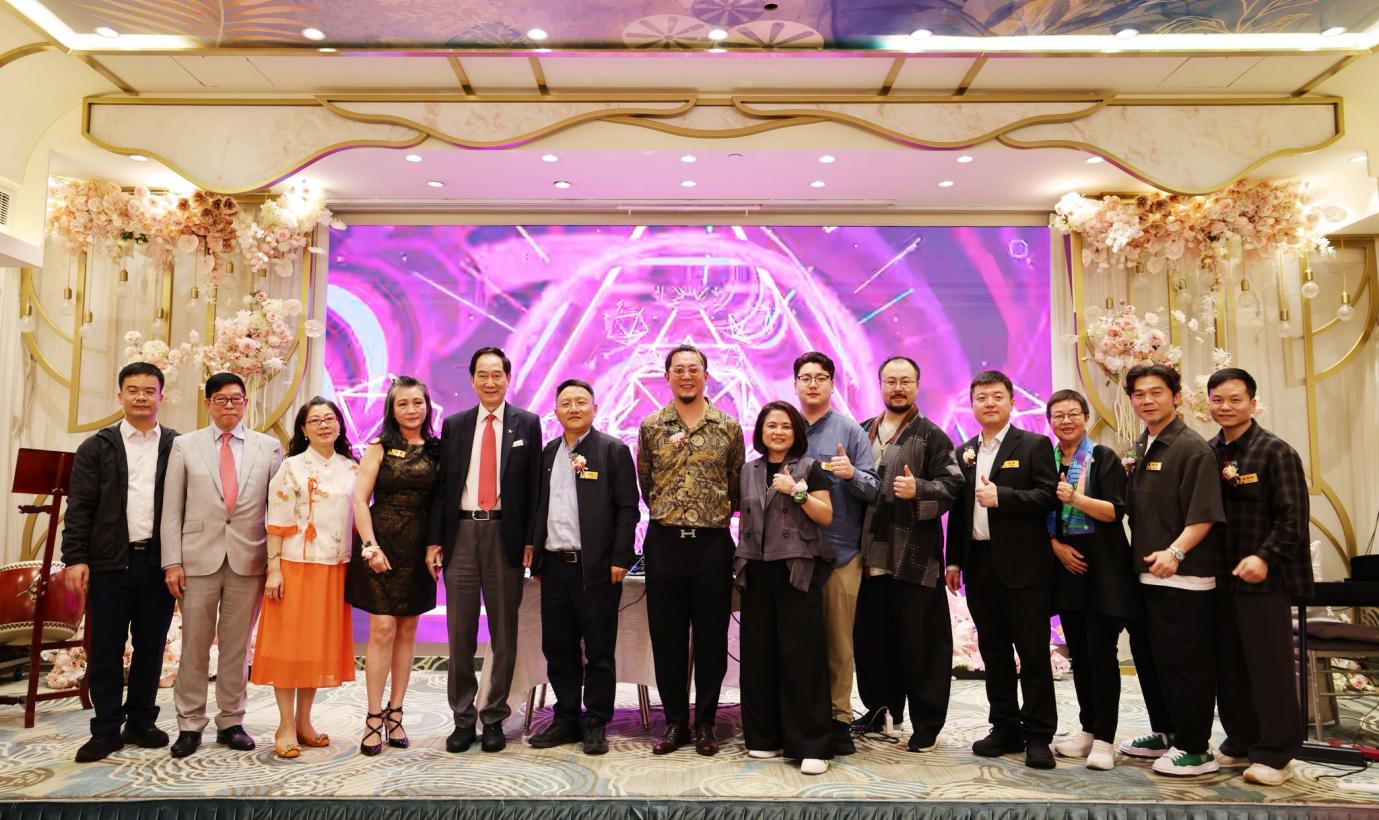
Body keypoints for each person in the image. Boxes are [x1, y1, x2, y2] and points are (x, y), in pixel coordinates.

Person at [160, 372, 283, 758]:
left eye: (236, 398)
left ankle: (231, 720)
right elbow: (171, 509)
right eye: (220, 399)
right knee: (194, 645)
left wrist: (276, 563)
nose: (229, 405)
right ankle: (189, 723)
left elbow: (278, 510)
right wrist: (171, 561)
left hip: (249, 558)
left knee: (237, 646)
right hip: (197, 559)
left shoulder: (269, 448)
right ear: (208, 403)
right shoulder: (185, 445)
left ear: (245, 402)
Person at [61, 362, 179, 763]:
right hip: (109, 562)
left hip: (157, 562)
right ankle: (106, 728)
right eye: (133, 390)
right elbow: (79, 507)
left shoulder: (176, 446)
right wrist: (75, 557)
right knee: (106, 649)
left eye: (149, 390)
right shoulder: (97, 447)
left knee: (151, 646)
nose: (141, 397)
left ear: (161, 396)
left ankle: (141, 721)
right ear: (120, 395)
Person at [427, 347, 543, 754]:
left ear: (508, 379)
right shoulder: (455, 425)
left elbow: (535, 488)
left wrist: (531, 540)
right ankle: (463, 719)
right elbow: (443, 486)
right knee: (459, 633)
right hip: (461, 532)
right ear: (473, 379)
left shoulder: (527, 423)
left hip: (504, 535)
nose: (490, 382)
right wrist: (435, 539)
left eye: (497, 375)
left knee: (504, 633)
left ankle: (493, 717)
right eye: (483, 375)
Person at [945, 370, 1059, 770]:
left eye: (996, 396)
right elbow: (959, 512)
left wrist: (1002, 497)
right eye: (981, 397)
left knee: (1033, 652)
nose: (989, 403)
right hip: (979, 564)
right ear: (972, 405)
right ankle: (1005, 727)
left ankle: (1039, 735)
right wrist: (954, 560)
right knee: (993, 652)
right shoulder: (964, 451)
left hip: (1025, 566)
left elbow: (1049, 496)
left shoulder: (1034, 444)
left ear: (1011, 401)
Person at [637, 344, 746, 756]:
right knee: (667, 638)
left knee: (712, 640)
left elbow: (735, 485)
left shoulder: (728, 427)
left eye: (694, 369)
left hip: (712, 545)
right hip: (664, 543)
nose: (686, 376)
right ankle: (675, 723)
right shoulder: (651, 426)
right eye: (679, 369)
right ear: (667, 377)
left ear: (706, 375)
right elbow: (646, 483)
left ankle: (705, 724)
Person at [1207, 367, 1311, 786]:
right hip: (1219, 579)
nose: (1226, 407)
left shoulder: (1275, 452)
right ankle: (1241, 740)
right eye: (1218, 400)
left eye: (1235, 399)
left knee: (1269, 668)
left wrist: (1265, 557)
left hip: (1263, 580)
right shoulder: (1208, 452)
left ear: (1252, 402)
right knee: (1229, 667)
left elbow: (1293, 518)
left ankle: (1276, 752)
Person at [855, 356, 964, 753]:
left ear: (917, 385)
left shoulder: (932, 436)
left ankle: (927, 723)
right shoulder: (862, 431)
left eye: (905, 381)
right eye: (891, 381)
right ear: (880, 385)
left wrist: (919, 489)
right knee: (872, 641)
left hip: (914, 557)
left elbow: (953, 485)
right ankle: (882, 712)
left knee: (921, 644)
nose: (897, 387)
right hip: (868, 556)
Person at [525, 379, 640, 756]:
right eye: (566, 403)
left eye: (581, 402)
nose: (573, 408)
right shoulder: (548, 452)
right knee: (558, 647)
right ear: (556, 411)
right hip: (554, 567)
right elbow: (539, 507)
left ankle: (596, 720)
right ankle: (566, 717)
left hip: (597, 569)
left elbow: (628, 509)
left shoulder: (612, 450)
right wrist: (536, 554)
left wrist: (621, 558)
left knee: (599, 650)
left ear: (594, 408)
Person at [1121, 363, 1225, 777]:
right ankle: (1166, 732)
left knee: (1185, 664)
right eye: (1139, 394)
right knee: (1152, 660)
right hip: (1146, 574)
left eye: (1156, 392)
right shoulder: (1143, 444)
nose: (1147, 400)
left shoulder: (1192, 449)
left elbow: (1204, 514)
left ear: (1176, 396)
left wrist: (1175, 552)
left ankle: (1196, 747)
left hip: (1183, 577)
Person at [1042, 389, 1148, 771]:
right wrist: (1055, 546)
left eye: (1073, 414)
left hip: (1103, 567)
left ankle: (1105, 738)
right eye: (1058, 415)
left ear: (1085, 418)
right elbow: (1039, 511)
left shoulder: (1102, 457)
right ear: (1049, 422)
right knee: (1080, 655)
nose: (1066, 421)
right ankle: (1087, 729)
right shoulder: (1048, 460)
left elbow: (1114, 511)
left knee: (1102, 655)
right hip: (1067, 567)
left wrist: (1075, 498)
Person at [250, 397, 358, 758]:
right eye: (315, 420)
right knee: (288, 648)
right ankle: (284, 724)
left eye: (330, 418)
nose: (324, 425)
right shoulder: (291, 467)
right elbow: (277, 522)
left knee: (313, 649)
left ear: (339, 425)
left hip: (334, 567)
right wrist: (274, 568)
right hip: (295, 566)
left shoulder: (351, 468)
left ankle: (304, 721)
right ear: (303, 429)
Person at [735, 401, 836, 774]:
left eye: (785, 426)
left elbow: (825, 515)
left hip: (796, 570)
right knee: (758, 655)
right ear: (761, 431)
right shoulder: (747, 470)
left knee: (802, 657)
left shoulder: (811, 468)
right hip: (756, 569)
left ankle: (812, 745)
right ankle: (764, 737)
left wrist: (797, 492)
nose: (778, 432)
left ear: (796, 432)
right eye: (771, 426)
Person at [346, 376, 442, 755]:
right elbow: (360, 500)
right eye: (403, 403)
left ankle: (396, 712)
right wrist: (370, 546)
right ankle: (373, 716)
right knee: (383, 628)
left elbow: (442, 500)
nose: (411, 409)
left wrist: (437, 545)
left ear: (427, 406)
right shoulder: (379, 446)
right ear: (392, 408)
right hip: (381, 543)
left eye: (417, 402)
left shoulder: (437, 449)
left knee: (407, 629)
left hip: (419, 548)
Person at [792, 351, 880, 756]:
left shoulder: (850, 431)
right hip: (792, 555)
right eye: (806, 377)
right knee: (797, 643)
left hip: (841, 553)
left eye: (821, 377)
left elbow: (874, 488)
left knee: (839, 644)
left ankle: (839, 719)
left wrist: (852, 474)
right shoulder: (784, 427)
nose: (813, 384)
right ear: (795, 384)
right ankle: (799, 717)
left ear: (832, 384)